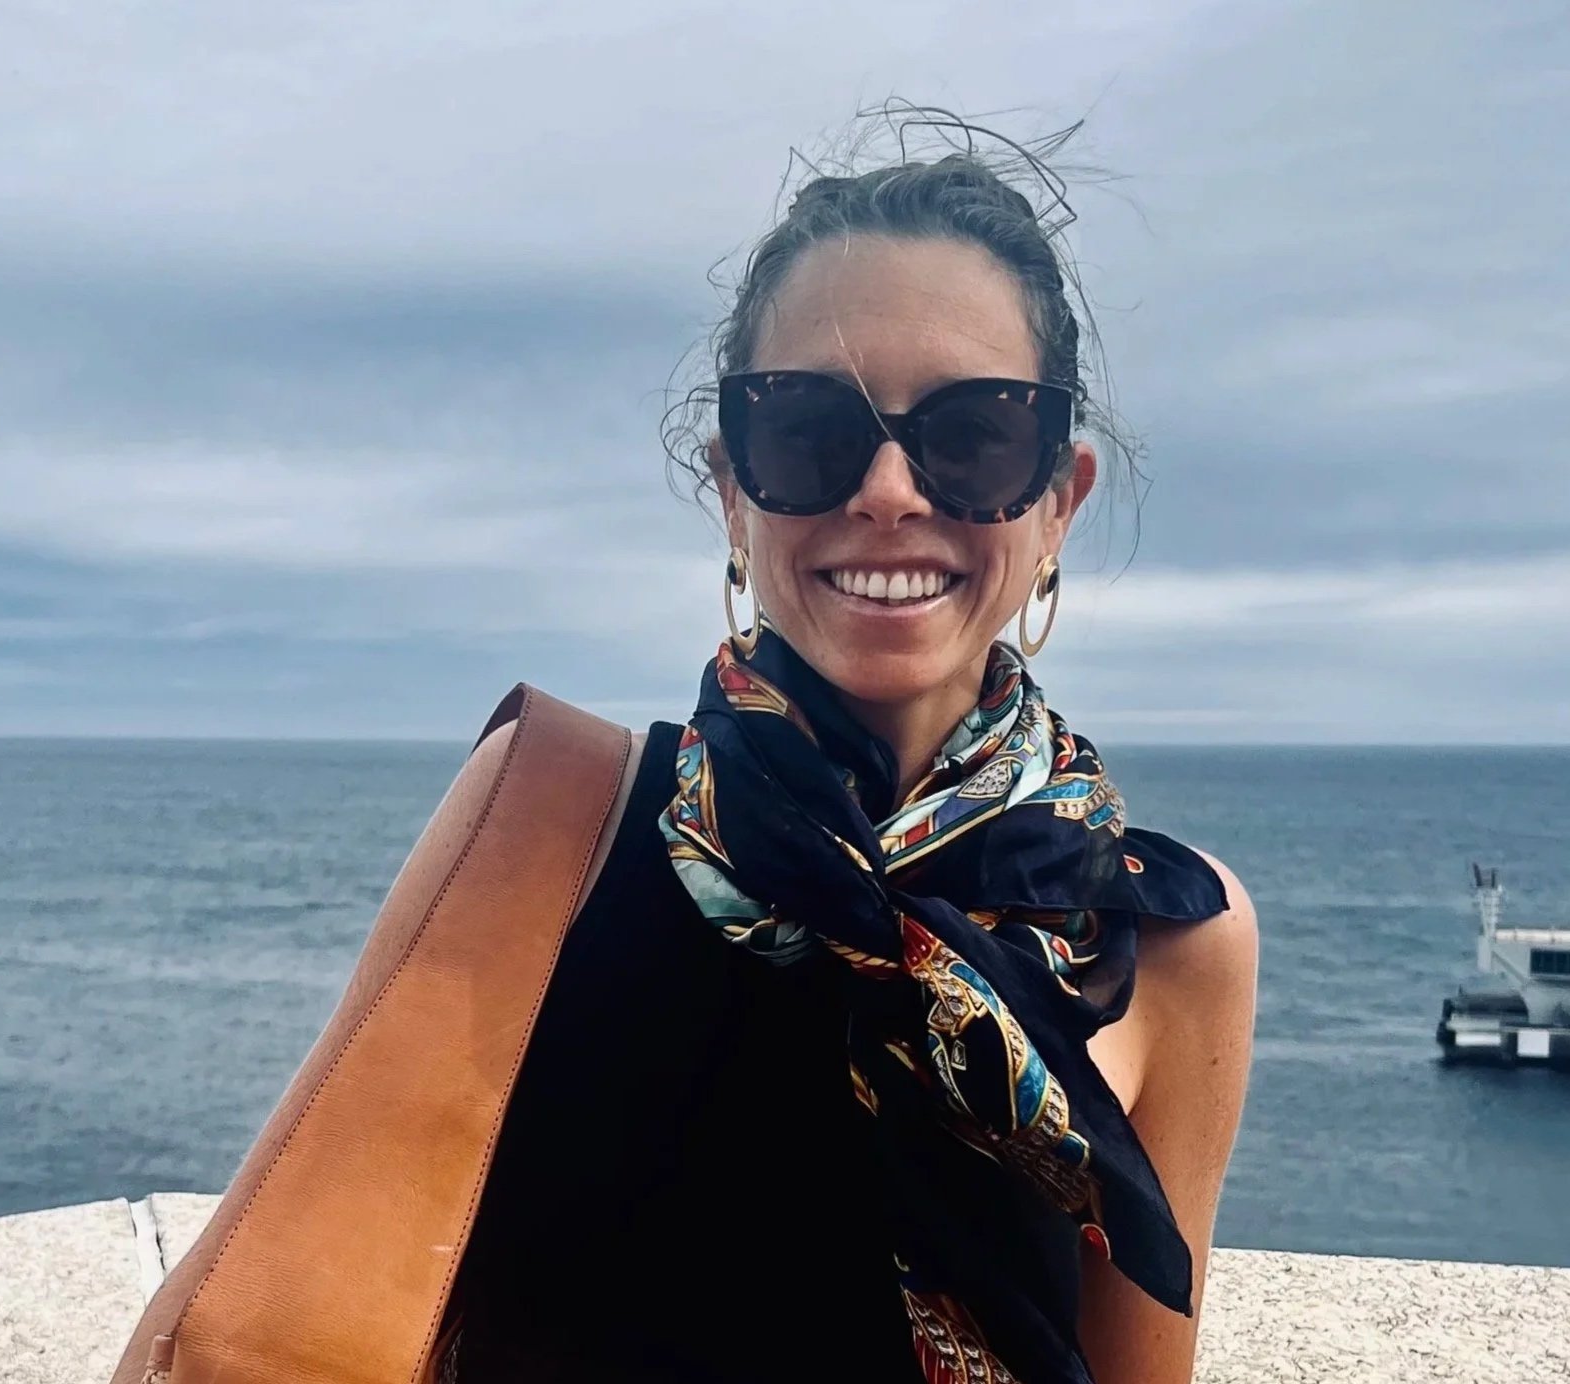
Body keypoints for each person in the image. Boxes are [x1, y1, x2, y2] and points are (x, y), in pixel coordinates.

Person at [442, 123, 1259, 1384]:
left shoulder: (1169, 938)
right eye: (811, 429)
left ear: (1058, 501)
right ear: (731, 486)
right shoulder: (549, 833)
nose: (887, 489)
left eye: (976, 433)